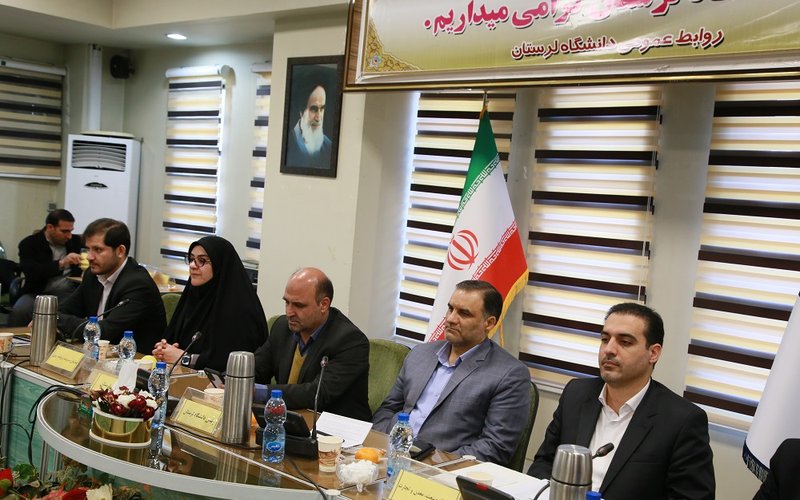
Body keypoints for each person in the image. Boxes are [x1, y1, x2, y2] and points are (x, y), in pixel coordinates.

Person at [528, 302, 715, 500]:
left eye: (625, 342)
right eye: (604, 339)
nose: (609, 349)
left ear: (653, 353)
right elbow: (544, 463)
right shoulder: (576, 394)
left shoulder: (682, 420)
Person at [372, 280, 531, 465]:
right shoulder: (420, 353)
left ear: (489, 323)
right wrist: (381, 445)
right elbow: (388, 409)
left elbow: (494, 447)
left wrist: (430, 465)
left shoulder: (509, 374)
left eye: (464, 313)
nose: (451, 319)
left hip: (441, 470)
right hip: (387, 456)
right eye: (450, 309)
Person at [253, 267, 371, 421]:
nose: (289, 312)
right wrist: (233, 380)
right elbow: (258, 368)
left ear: (324, 304)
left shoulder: (350, 341)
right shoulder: (282, 327)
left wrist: (256, 392)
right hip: (289, 421)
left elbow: (316, 394)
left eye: (298, 305)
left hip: (334, 429)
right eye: (287, 302)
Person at [152, 236, 267, 372]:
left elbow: (231, 363)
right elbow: (175, 342)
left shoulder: (240, 310)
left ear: (220, 265)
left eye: (202, 261)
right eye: (191, 259)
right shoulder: (192, 298)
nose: (192, 265)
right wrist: (164, 350)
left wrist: (184, 358)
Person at [58, 218, 166, 352]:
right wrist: (57, 317)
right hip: (100, 355)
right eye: (88, 249)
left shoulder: (138, 284)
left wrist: (58, 319)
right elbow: (63, 311)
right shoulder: (92, 276)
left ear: (120, 251)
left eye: (98, 250)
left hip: (136, 360)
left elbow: (104, 332)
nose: (89, 257)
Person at [9, 209, 82, 326]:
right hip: (36, 292)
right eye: (64, 231)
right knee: (20, 311)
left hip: (67, 293)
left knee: (68, 312)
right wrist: (61, 263)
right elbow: (32, 273)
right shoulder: (30, 244)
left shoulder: (76, 242)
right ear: (50, 227)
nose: (69, 236)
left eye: (71, 231)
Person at [285, 82, 332, 169]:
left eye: (322, 109)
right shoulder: (289, 141)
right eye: (314, 109)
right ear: (301, 111)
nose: (319, 117)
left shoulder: (328, 146)